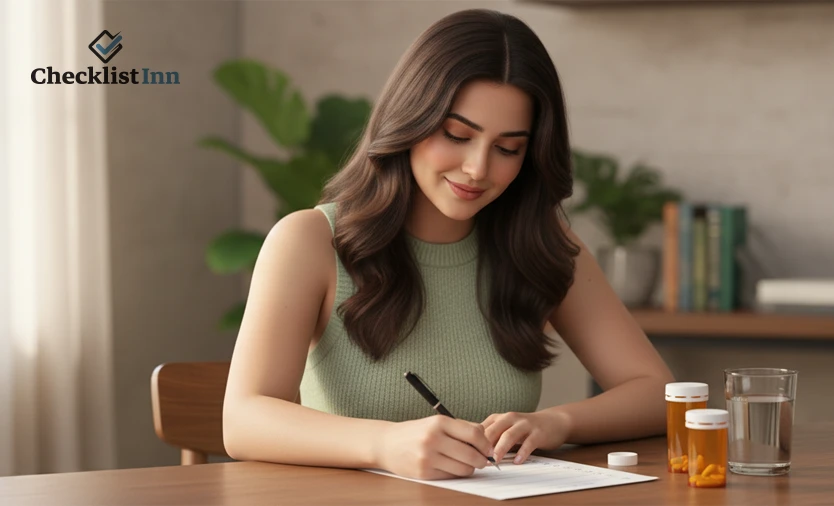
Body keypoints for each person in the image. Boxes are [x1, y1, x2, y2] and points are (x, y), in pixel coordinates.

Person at [222, 8, 674, 481]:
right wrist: (383, 444)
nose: (478, 168)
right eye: (457, 135)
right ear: (411, 121)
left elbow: (658, 392)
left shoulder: (541, 244)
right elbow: (243, 420)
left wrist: (555, 423)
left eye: (508, 148)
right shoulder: (310, 241)